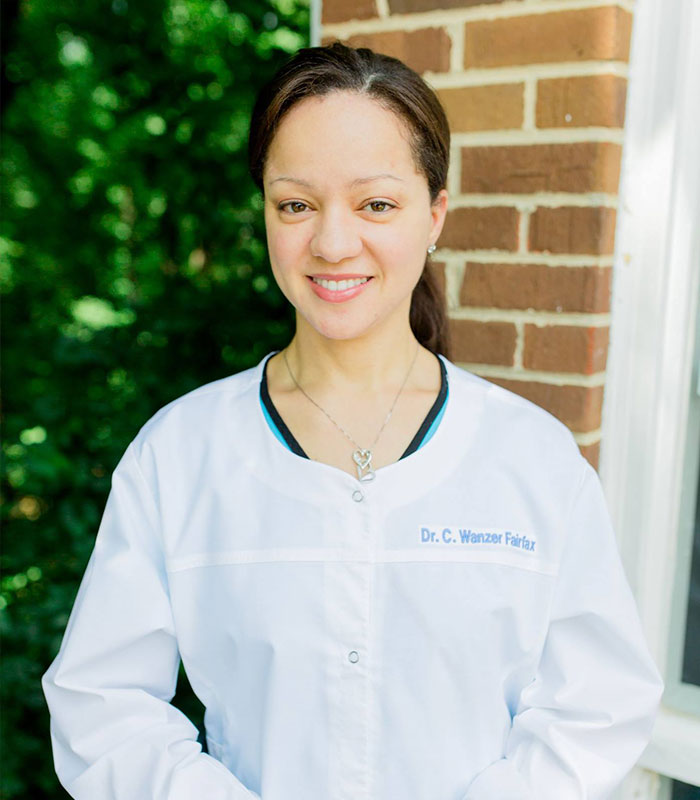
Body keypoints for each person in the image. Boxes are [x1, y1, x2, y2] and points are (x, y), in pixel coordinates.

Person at [42, 42, 664, 800]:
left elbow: (596, 707)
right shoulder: (179, 455)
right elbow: (103, 706)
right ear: (265, 212)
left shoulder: (533, 459)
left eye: (376, 203)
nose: (333, 244)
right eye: (296, 204)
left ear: (435, 214)